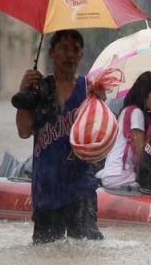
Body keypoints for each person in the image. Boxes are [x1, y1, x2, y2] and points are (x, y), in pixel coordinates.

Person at [14, 29, 103, 244]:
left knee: (86, 251)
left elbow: (100, 138)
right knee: (46, 256)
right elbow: (24, 131)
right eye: (64, 48)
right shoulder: (38, 89)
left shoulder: (89, 90)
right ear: (51, 52)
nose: (69, 55)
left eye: (75, 49)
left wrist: (100, 105)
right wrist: (23, 90)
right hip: (46, 190)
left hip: (80, 188)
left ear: (81, 55)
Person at [96, 71, 151, 189]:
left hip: (116, 174)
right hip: (120, 176)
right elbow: (141, 152)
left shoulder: (129, 110)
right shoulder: (136, 113)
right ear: (144, 95)